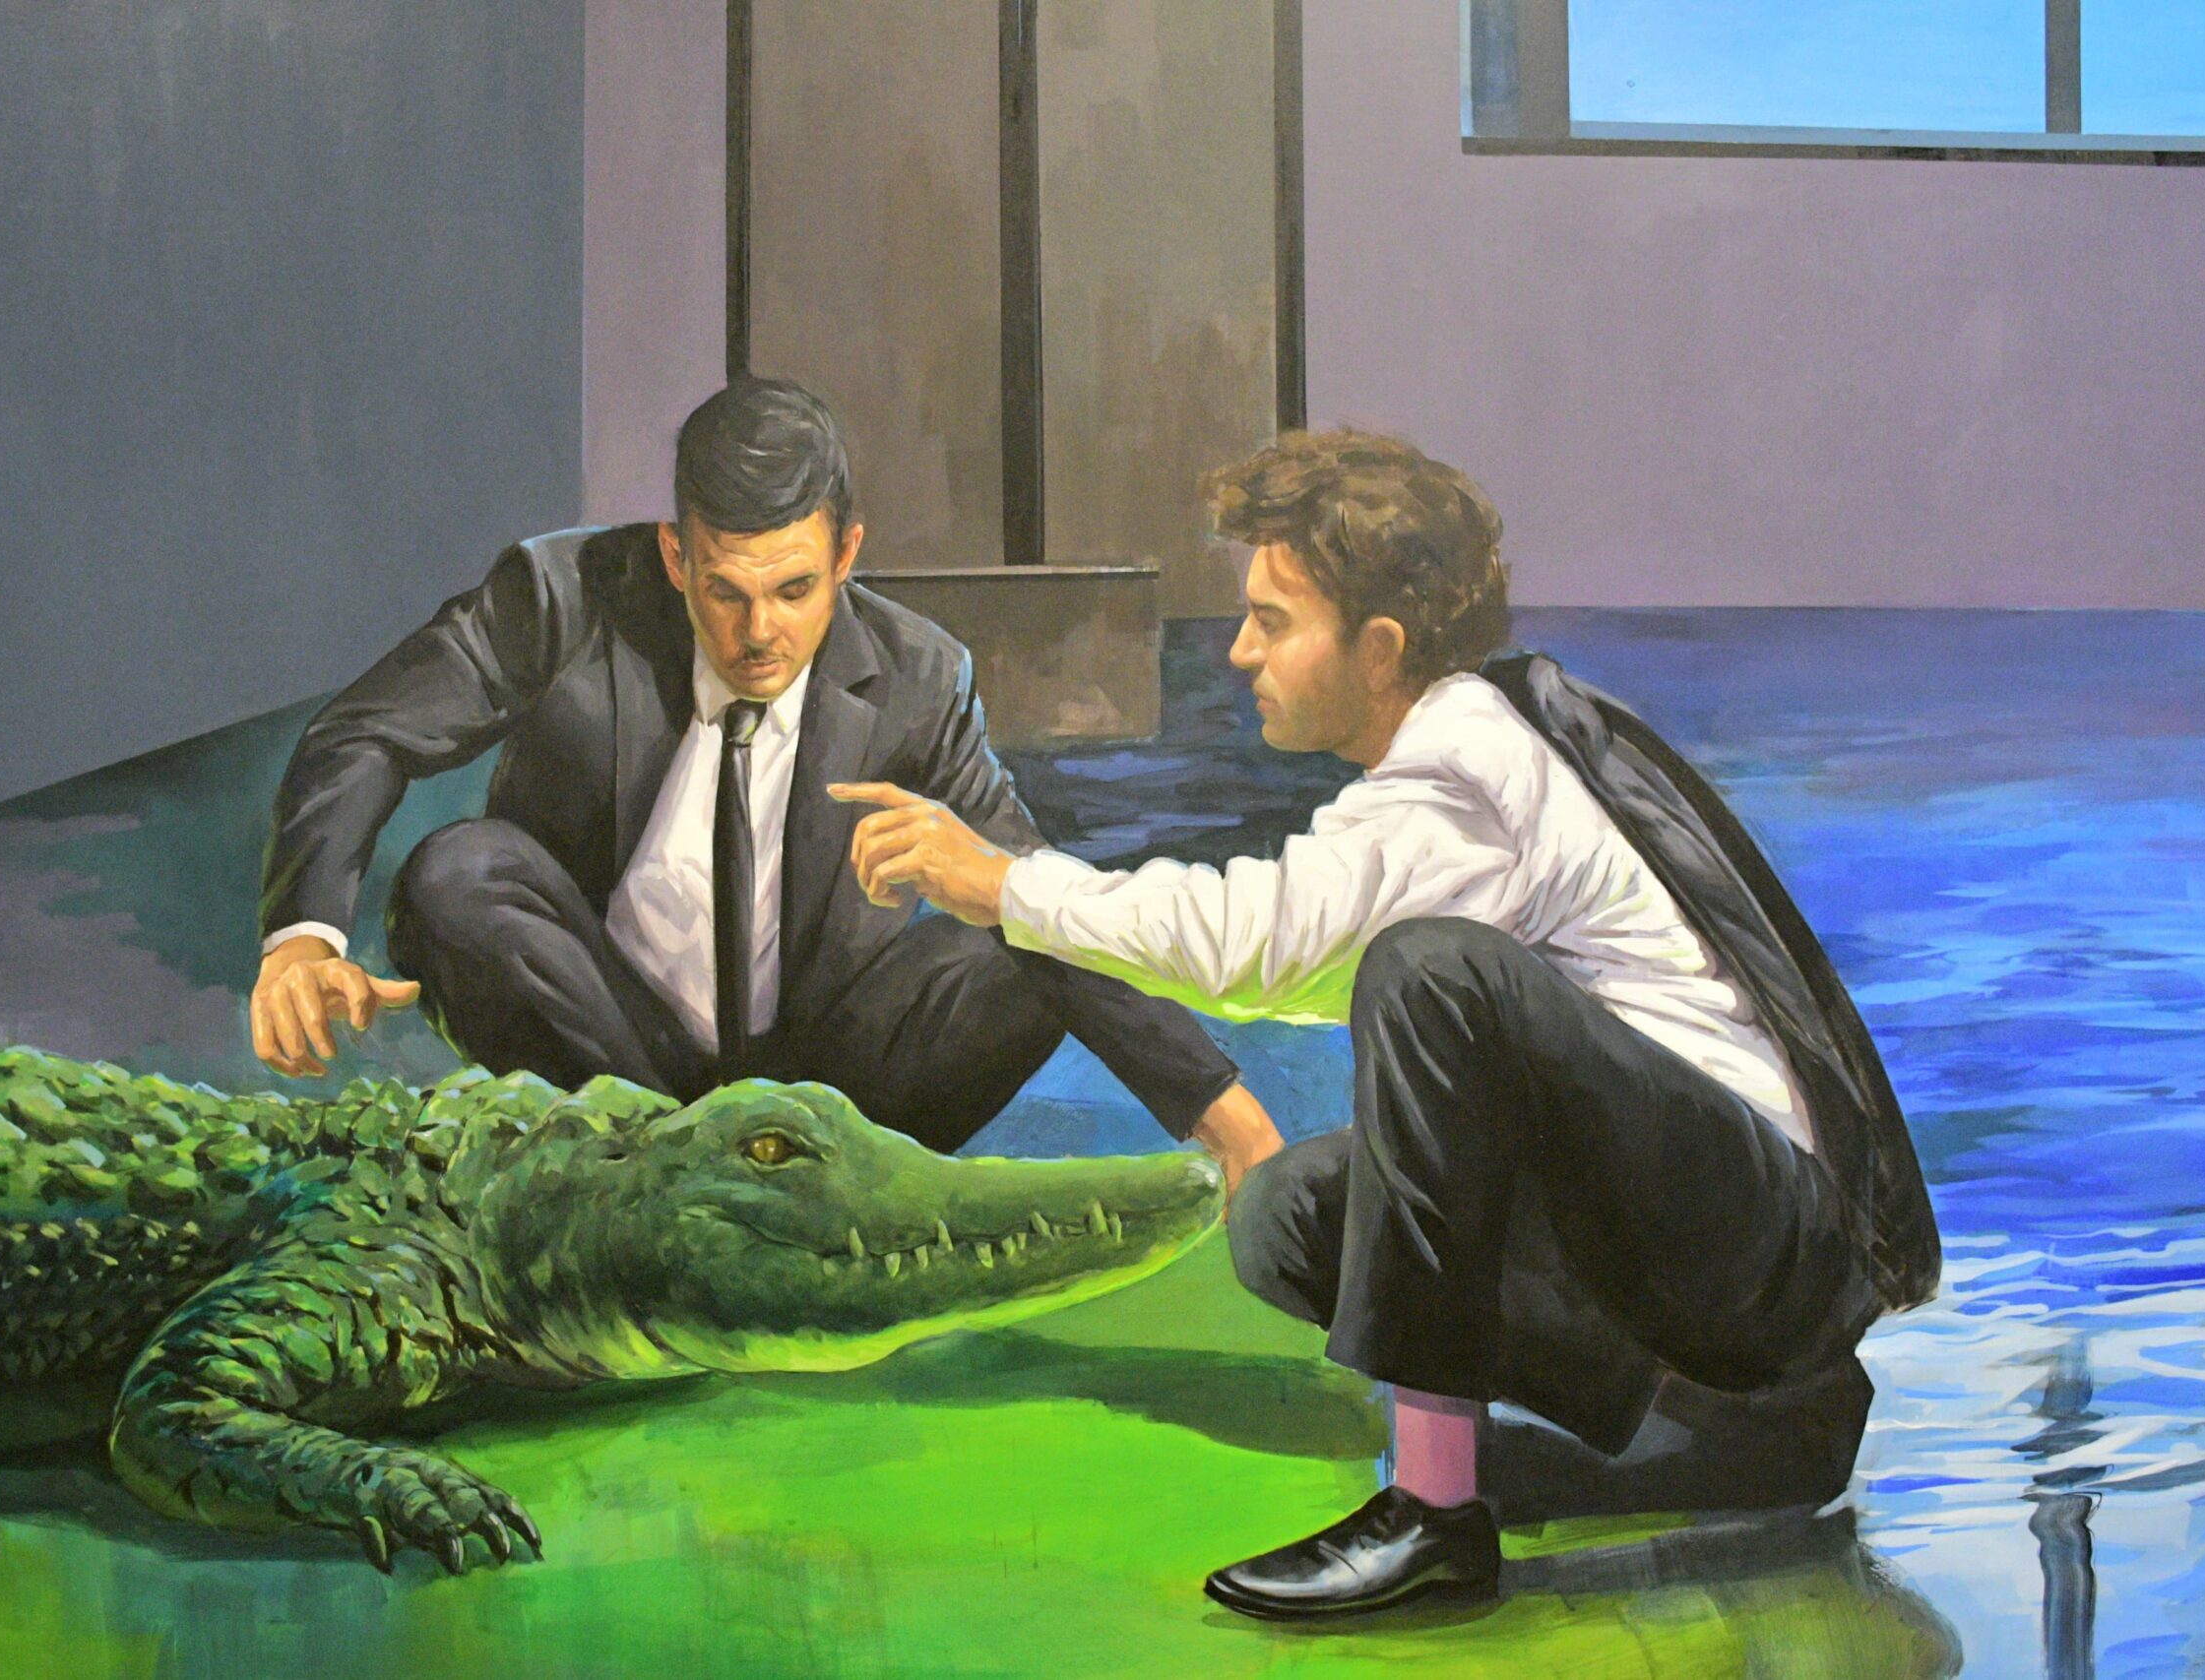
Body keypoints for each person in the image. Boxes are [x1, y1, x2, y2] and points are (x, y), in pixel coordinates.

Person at [834, 429, 1940, 1620]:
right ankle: (1723, 1439)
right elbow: (1306, 955)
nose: (1238, 652)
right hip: (1692, 1237)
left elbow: (1268, 942)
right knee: (1289, 1215)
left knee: (1431, 975)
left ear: (1379, 649)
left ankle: (1434, 1510)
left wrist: (1005, 884)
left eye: (1271, 621)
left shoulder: (1467, 765)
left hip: (1760, 1246)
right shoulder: (1456, 754)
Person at [247, 377, 1285, 1183]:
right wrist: (302, 940)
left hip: (832, 1086)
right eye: (725, 591)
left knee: (1023, 917)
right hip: (605, 1045)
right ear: (674, 557)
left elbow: (1041, 895)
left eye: (793, 590)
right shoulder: (560, 599)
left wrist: (1229, 1121)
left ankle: (799, 1188)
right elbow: (367, 731)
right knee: (455, 874)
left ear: (846, 555)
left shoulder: (919, 679)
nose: (759, 635)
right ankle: (661, 1176)